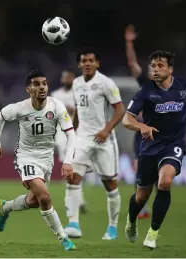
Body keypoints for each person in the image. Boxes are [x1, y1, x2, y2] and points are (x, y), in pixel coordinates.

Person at [122, 50, 186, 249]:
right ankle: (132, 220)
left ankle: (152, 234)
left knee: (165, 181)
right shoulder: (145, 91)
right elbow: (127, 119)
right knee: (141, 196)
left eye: (160, 65)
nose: (155, 69)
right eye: (153, 66)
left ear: (170, 69)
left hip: (173, 145)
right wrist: (142, 126)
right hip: (149, 148)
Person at [0, 70, 76, 251]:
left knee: (34, 201)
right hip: (26, 156)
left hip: (47, 157)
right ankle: (64, 238)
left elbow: (71, 135)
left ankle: (5, 207)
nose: (42, 87)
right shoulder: (20, 108)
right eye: (36, 84)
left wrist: (68, 161)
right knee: (45, 197)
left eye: (44, 83)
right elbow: (1, 116)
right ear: (28, 89)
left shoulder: (56, 106)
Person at [64, 50, 125, 240]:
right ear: (80, 64)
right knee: (72, 177)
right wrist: (71, 134)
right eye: (84, 61)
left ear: (97, 63)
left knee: (110, 184)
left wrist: (106, 130)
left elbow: (120, 109)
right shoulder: (76, 83)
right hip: (82, 138)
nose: (87, 63)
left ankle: (112, 228)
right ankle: (74, 224)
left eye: (91, 60)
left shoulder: (106, 83)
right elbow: (77, 113)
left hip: (103, 139)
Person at [50, 69, 88, 214]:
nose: (68, 79)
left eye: (70, 77)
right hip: (61, 136)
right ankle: (77, 200)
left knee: (73, 167)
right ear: (62, 79)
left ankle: (76, 200)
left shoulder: (79, 94)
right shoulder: (56, 95)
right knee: (70, 167)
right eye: (66, 77)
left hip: (77, 133)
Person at [125, 24, 150, 219]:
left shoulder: (174, 88)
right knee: (139, 169)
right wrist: (129, 43)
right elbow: (133, 64)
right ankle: (141, 207)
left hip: (162, 135)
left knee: (159, 174)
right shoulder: (147, 85)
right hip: (141, 134)